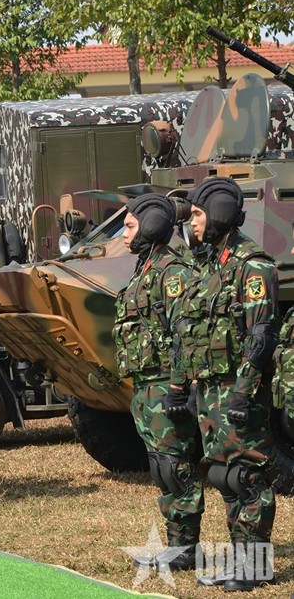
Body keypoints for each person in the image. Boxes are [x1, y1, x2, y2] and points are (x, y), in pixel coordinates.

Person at [171, 178, 278, 591]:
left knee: (247, 478)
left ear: (217, 214)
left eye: (197, 215)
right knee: (224, 477)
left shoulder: (253, 265)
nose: (193, 223)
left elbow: (261, 335)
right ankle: (243, 561)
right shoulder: (213, 265)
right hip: (212, 389)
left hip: (238, 389)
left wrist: (244, 390)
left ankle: (256, 567)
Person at [113, 194, 203, 569]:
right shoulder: (147, 267)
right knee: (160, 465)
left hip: (167, 383)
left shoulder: (172, 271)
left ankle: (185, 548)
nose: (123, 234)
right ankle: (175, 542)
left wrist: (181, 387)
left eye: (130, 226)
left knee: (174, 464)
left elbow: (186, 333)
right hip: (148, 384)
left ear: (150, 226)